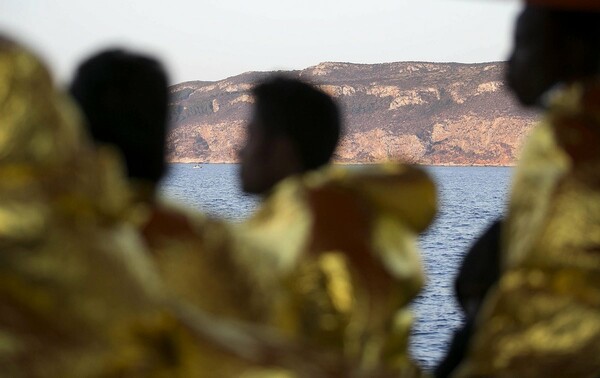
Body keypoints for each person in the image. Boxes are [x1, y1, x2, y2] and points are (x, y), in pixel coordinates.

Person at [454, 3, 600, 376]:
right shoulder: (565, 130)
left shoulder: (571, 143)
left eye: (525, 45)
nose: (508, 67)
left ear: (572, 49)